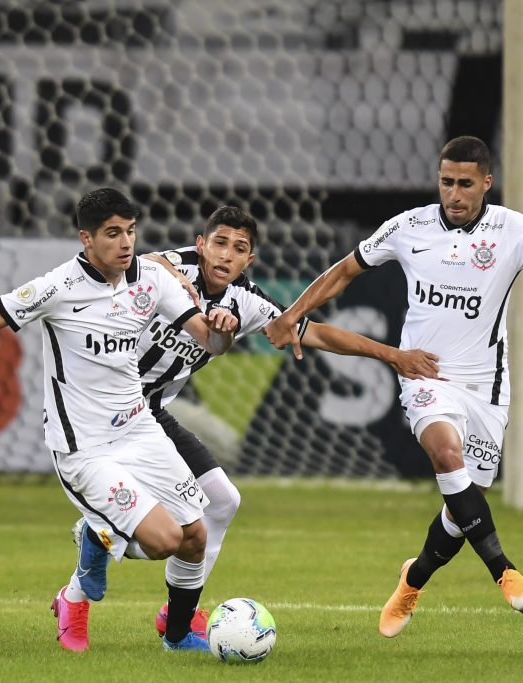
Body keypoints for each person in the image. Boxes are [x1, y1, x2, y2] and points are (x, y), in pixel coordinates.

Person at [264, 136, 523, 638]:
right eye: (447, 182)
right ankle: (505, 572)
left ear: (486, 182)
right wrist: (294, 312)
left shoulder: (511, 230)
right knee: (447, 455)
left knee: (462, 505)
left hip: (486, 387)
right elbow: (345, 270)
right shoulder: (409, 227)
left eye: (466, 184)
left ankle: (413, 578)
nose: (454, 194)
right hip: (425, 374)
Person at [0, 188, 236, 653]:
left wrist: (223, 332)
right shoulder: (58, 288)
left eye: (130, 231)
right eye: (112, 234)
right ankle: (80, 575)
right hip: (84, 450)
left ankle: (178, 635)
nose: (125, 243)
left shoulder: (152, 279)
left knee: (195, 536)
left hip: (140, 430)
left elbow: (209, 342)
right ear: (86, 239)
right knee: (166, 539)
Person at [69, 205, 441, 641]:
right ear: (201, 244)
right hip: (105, 412)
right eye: (220, 243)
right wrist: (171, 272)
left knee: (222, 501)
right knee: (156, 527)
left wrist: (393, 355)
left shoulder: (245, 300)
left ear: (250, 260)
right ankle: (85, 577)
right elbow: (138, 260)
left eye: (239, 248)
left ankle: (175, 617)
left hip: (152, 411)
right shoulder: (168, 269)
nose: (226, 255)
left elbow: (315, 332)